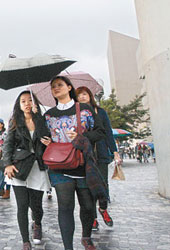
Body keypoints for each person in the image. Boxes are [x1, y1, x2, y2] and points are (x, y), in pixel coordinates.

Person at [44, 76, 107, 250]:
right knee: (65, 206)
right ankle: (68, 247)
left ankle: (86, 236)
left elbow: (100, 132)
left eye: (60, 85)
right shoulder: (48, 114)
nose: (56, 88)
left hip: (83, 164)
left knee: (87, 205)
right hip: (59, 166)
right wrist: (45, 140)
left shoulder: (85, 109)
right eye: (53, 86)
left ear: (69, 87)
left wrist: (82, 137)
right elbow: (42, 138)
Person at [2, 90, 51, 250]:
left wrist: (39, 119)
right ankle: (25, 240)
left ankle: (37, 223)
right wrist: (7, 164)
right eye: (23, 101)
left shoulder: (41, 120)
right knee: (22, 205)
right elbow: (8, 144)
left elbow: (45, 138)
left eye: (30, 100)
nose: (27, 104)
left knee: (36, 205)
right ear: (19, 105)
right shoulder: (15, 121)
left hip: (37, 166)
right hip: (20, 167)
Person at [76, 86, 120, 230]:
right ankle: (93, 218)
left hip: (101, 153)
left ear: (90, 96)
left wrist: (114, 151)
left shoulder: (100, 112)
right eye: (79, 95)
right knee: (89, 187)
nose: (82, 97)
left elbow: (108, 132)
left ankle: (103, 208)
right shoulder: (76, 114)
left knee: (102, 184)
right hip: (85, 154)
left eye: (84, 94)